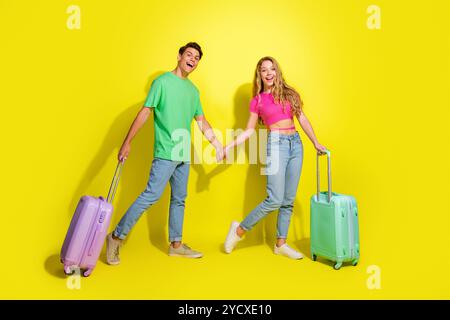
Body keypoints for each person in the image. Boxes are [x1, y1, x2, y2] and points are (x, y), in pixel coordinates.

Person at [106, 42, 223, 264]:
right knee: (151, 195)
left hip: (183, 153)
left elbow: (201, 120)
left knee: (179, 199)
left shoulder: (193, 91)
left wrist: (216, 143)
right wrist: (127, 142)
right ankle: (115, 237)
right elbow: (145, 112)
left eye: (197, 58)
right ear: (179, 56)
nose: (192, 59)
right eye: (189, 54)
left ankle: (176, 245)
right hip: (165, 151)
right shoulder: (161, 83)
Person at [222, 56, 327, 259]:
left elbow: (302, 118)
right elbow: (249, 130)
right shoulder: (258, 100)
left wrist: (315, 142)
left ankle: (281, 243)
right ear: (259, 75)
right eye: (264, 70)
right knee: (275, 199)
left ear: (277, 72)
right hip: (276, 145)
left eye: (272, 69)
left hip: (296, 144)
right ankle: (239, 231)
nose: (269, 73)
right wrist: (230, 145)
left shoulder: (290, 94)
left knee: (288, 199)